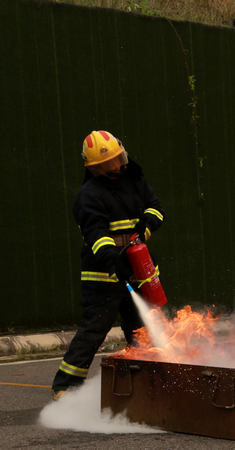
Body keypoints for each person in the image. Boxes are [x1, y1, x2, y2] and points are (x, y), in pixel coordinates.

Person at [51, 130, 165, 400]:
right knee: (94, 330)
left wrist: (145, 228)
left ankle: (144, 379)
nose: (116, 166)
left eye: (118, 159)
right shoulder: (88, 195)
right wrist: (114, 262)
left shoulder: (134, 181)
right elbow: (96, 235)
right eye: (108, 163)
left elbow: (155, 207)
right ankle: (65, 386)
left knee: (142, 326)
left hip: (139, 266)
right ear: (95, 167)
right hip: (103, 274)